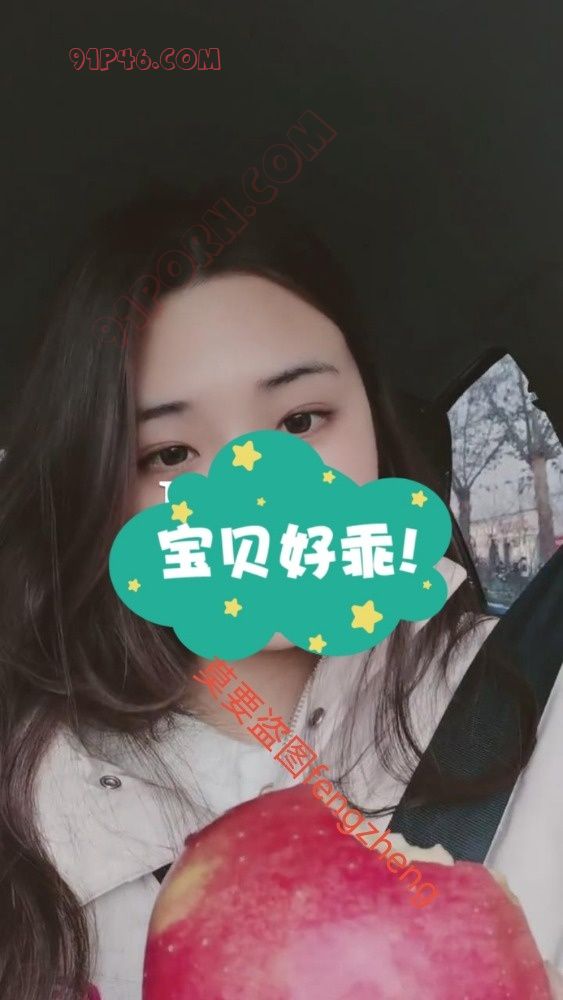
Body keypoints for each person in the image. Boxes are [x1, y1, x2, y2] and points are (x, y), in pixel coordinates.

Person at [0, 186, 561, 1000]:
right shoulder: (26, 779)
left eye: (300, 421)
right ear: (98, 491)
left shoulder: (537, 700)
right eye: (168, 454)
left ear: (373, 420)